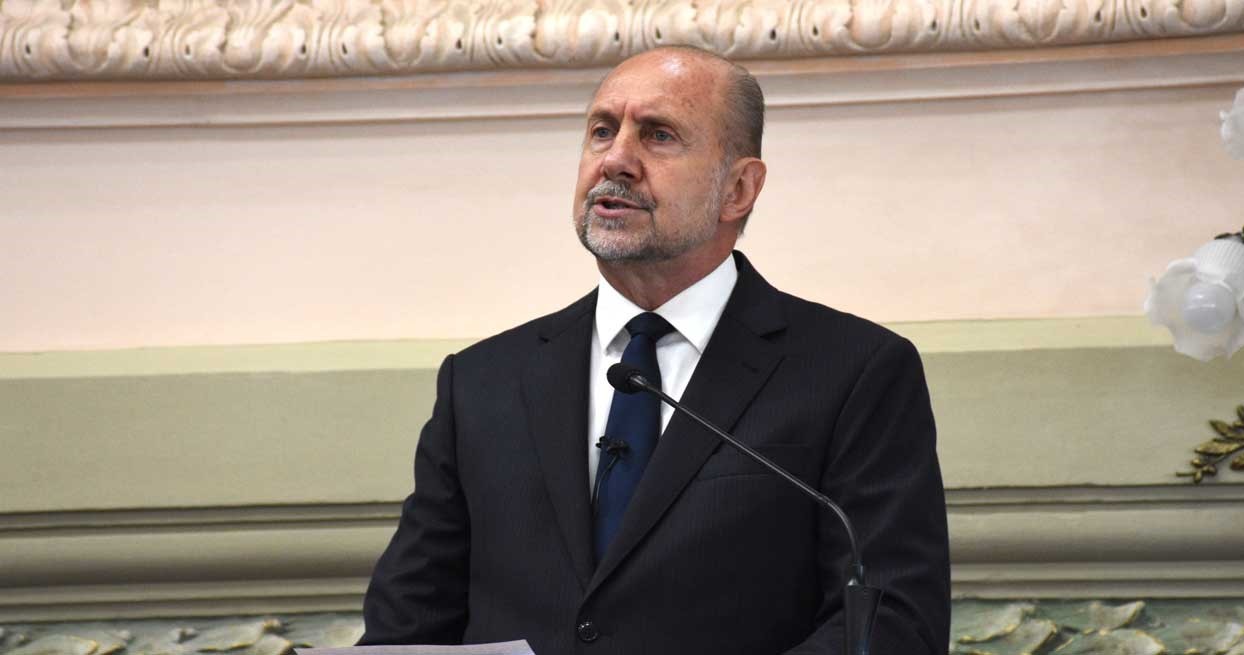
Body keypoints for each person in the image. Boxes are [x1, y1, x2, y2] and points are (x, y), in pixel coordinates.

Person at [360, 46, 950, 655]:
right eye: (601, 131)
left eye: (659, 135)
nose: (616, 160)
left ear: (739, 189)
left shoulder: (854, 372)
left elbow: (891, 623)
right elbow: (406, 630)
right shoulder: (482, 382)